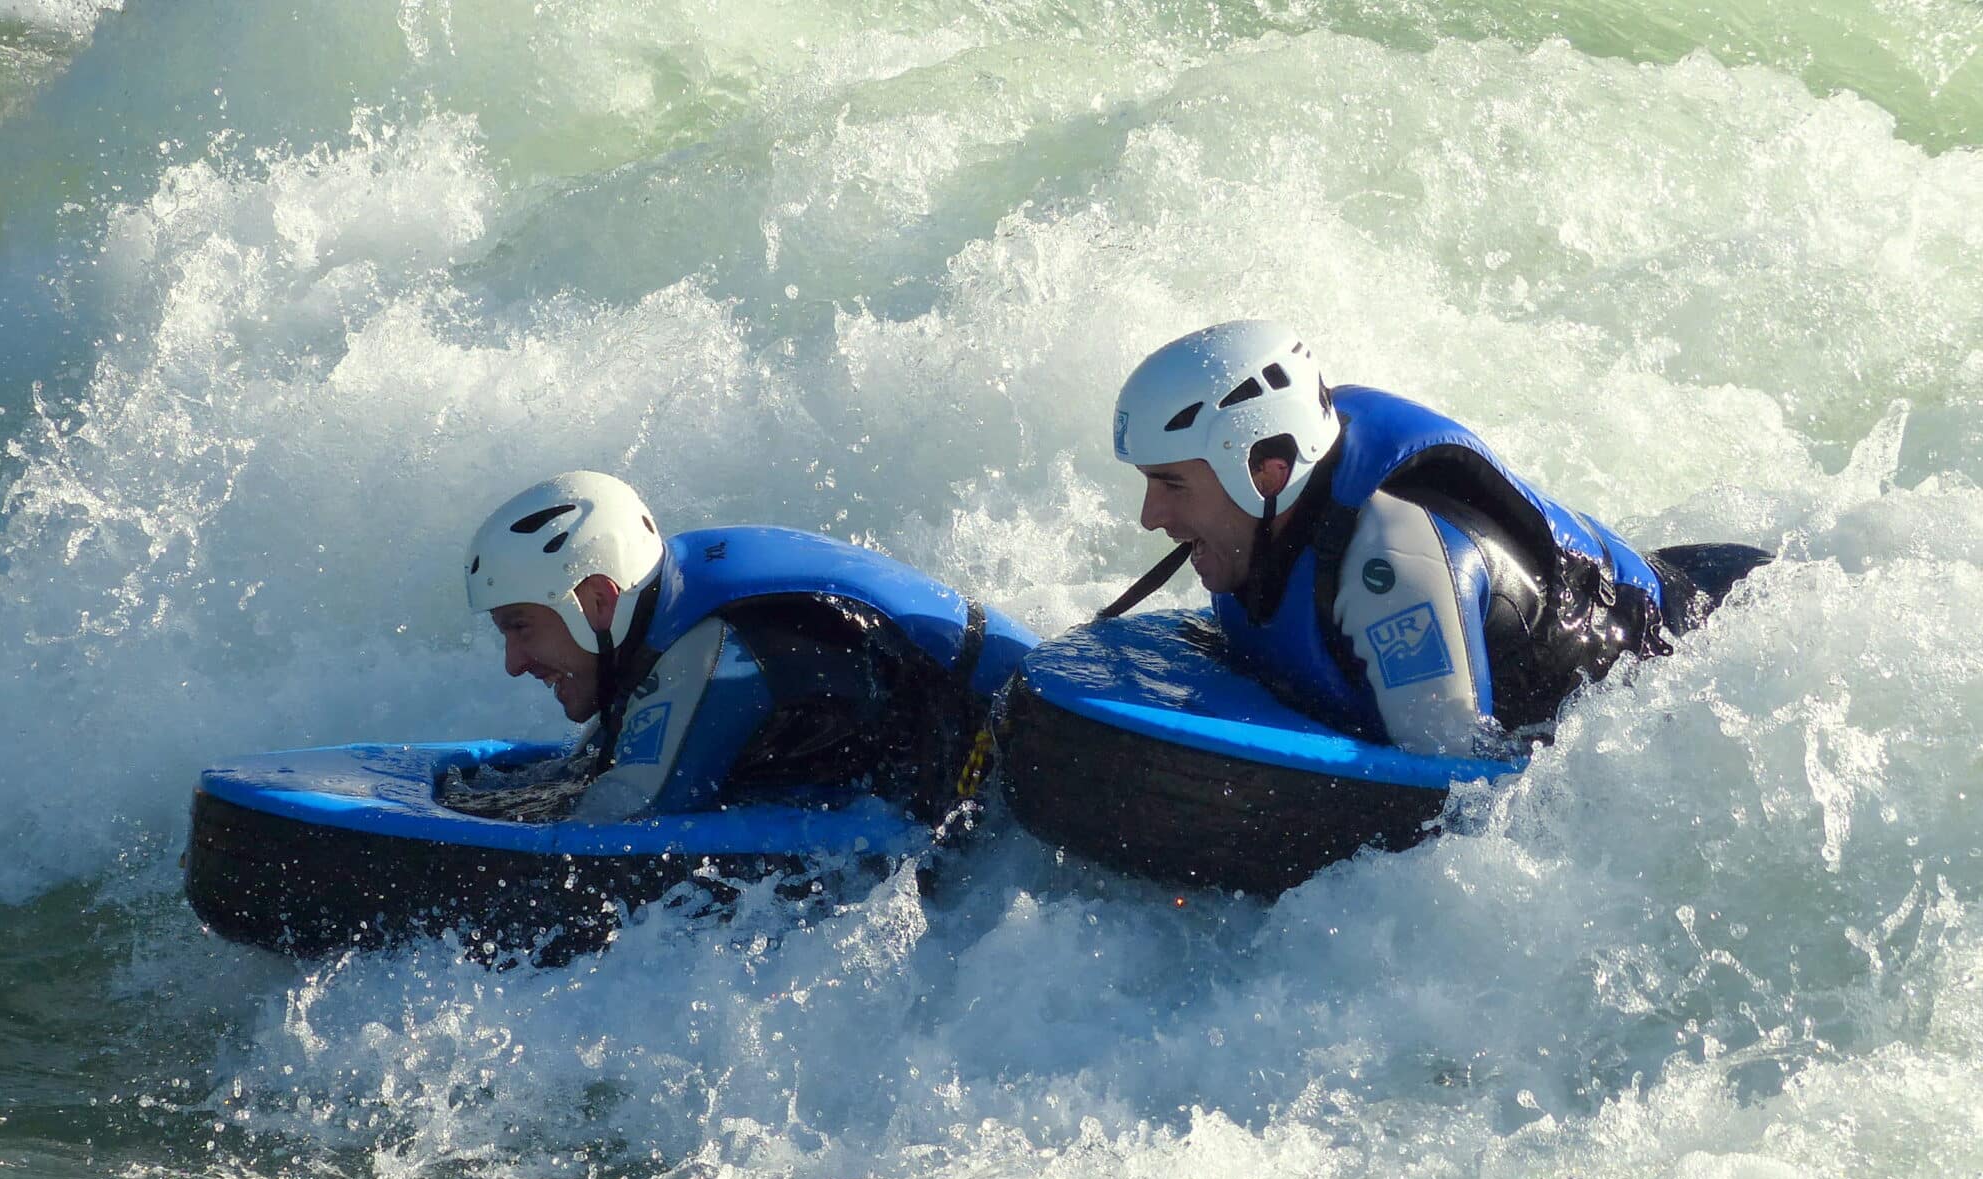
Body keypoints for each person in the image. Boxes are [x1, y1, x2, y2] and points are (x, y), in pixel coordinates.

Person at [1103, 319, 1768, 756]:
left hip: (1712, 637)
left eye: (1171, 484)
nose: (1150, 515)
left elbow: (1457, 797)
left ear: (1265, 471)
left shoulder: (1390, 563)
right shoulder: (1267, 520)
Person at [460, 470, 1032, 822]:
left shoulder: (716, 650)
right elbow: (599, 764)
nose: (513, 664)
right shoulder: (664, 593)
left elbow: (619, 820)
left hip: (1018, 760)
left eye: (520, 627)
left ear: (597, 601)